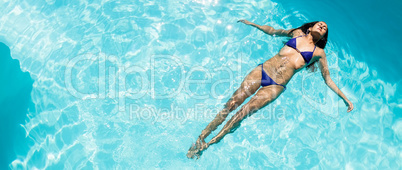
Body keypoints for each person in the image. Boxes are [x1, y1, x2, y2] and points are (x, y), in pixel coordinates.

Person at [186, 20, 354, 159]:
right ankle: (201, 136)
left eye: (325, 28)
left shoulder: (319, 53)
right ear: (310, 27)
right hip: (262, 71)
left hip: (276, 86)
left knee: (241, 114)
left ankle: (207, 145)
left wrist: (345, 99)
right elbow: (273, 31)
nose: (322, 26)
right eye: (320, 24)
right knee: (232, 104)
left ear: (324, 35)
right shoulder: (296, 34)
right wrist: (253, 24)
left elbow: (328, 79)